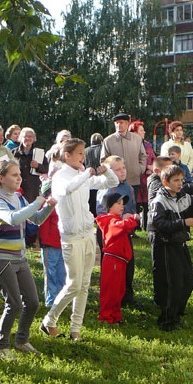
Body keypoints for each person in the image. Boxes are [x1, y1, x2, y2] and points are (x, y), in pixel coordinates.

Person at [41, 138, 118, 341]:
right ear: (67, 155)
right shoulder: (60, 177)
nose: (83, 157)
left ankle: (76, 329)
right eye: (80, 153)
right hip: (71, 237)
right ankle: (49, 321)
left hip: (87, 234)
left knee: (84, 285)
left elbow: (113, 182)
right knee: (74, 284)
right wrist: (86, 174)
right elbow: (68, 189)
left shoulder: (80, 174)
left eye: (84, 153)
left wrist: (106, 171)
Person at [0, 160, 56, 360]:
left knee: (32, 302)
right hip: (2, 260)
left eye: (19, 174)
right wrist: (37, 202)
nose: (19, 178)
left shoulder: (19, 197)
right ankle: (2, 346)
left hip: (20, 258)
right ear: (1, 178)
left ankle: (22, 340)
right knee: (14, 304)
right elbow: (14, 219)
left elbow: (36, 219)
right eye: (14, 175)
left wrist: (48, 207)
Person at [148, 165, 193, 330]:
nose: (180, 183)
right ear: (165, 182)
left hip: (180, 244)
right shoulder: (159, 201)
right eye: (176, 180)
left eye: (181, 180)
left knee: (187, 283)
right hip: (166, 246)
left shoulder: (184, 197)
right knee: (172, 285)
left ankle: (177, 314)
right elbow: (159, 223)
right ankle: (167, 321)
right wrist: (183, 223)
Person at [96, 155, 137, 308]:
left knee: (128, 262)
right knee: (112, 267)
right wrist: (120, 219)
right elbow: (102, 212)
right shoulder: (106, 188)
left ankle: (127, 295)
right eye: (117, 169)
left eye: (123, 168)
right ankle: (111, 298)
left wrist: (130, 218)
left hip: (125, 229)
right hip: (110, 233)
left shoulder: (129, 187)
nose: (122, 172)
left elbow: (132, 207)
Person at [95, 192, 140, 324]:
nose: (122, 207)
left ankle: (115, 315)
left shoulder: (116, 220)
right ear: (109, 206)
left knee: (119, 290)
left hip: (120, 261)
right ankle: (105, 316)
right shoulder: (109, 221)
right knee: (110, 290)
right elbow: (122, 226)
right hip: (113, 260)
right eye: (118, 204)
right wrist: (134, 218)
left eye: (123, 204)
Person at [101, 113, 148, 211]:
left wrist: (139, 169)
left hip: (133, 179)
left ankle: (132, 224)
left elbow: (143, 156)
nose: (119, 125)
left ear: (127, 124)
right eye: (117, 123)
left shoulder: (137, 139)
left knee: (131, 206)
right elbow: (103, 160)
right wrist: (110, 174)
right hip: (115, 182)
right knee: (116, 207)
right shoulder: (108, 141)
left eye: (121, 123)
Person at [38, 180, 66, 307]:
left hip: (61, 244)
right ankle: (50, 300)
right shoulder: (47, 204)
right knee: (50, 273)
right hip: (49, 244)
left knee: (62, 272)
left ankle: (61, 299)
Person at [129, 120, 156, 228]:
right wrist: (146, 167)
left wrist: (153, 168)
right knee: (135, 202)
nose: (144, 132)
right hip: (136, 177)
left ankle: (146, 225)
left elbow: (153, 157)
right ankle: (135, 226)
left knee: (148, 202)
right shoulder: (131, 144)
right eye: (141, 130)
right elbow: (133, 159)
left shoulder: (147, 144)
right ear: (134, 132)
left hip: (148, 178)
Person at [85, 133, 104, 217]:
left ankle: (92, 215)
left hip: (89, 177)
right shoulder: (103, 149)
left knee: (91, 199)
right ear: (101, 141)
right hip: (101, 176)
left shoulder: (85, 151)